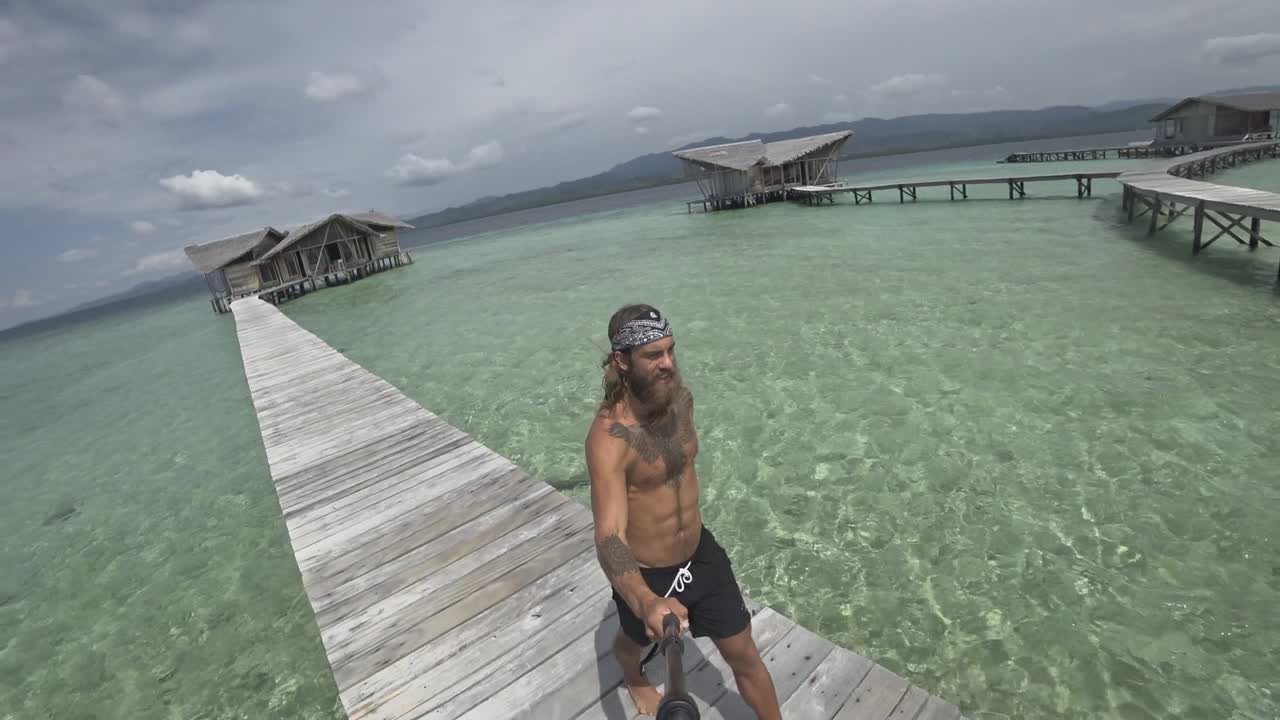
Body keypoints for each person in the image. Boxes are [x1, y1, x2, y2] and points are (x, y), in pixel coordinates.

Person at [585, 303, 781, 719]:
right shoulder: (609, 439)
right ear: (621, 360)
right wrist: (643, 600)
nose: (668, 364)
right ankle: (633, 671)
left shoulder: (680, 400)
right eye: (653, 355)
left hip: (700, 555)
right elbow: (609, 536)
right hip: (648, 574)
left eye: (671, 350)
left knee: (744, 653)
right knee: (636, 637)